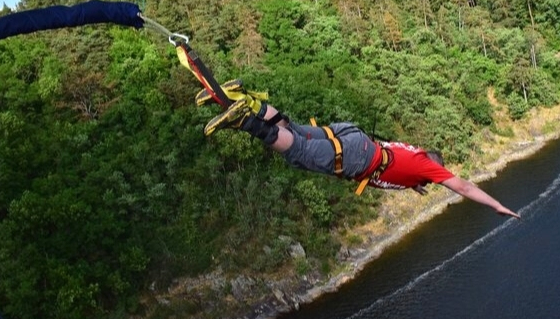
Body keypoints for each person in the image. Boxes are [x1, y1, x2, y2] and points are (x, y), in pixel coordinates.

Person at [198, 81, 520, 220]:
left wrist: (415, 184)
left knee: (292, 129)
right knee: (296, 151)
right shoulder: (426, 168)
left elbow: (408, 174)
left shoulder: (414, 157)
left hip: (354, 135)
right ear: (432, 169)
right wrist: (496, 206)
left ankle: (246, 98)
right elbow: (461, 185)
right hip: (356, 157)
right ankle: (244, 120)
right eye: (432, 179)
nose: (430, 182)